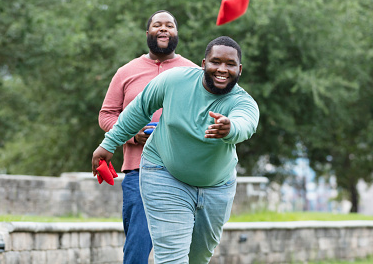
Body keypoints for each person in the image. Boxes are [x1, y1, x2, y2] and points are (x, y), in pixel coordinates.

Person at [93, 36, 259, 263]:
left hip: (217, 187)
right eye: (215, 62)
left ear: (239, 69)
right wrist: (108, 144)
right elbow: (138, 110)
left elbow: (245, 124)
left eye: (230, 64)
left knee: (198, 257)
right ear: (203, 63)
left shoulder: (243, 102)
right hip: (164, 173)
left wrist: (229, 129)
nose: (222, 69)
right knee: (172, 257)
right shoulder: (174, 81)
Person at [98, 10, 197, 263]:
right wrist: (132, 134)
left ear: (177, 33)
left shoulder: (193, 72)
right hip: (139, 171)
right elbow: (106, 115)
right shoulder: (126, 72)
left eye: (170, 25)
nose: (163, 29)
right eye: (157, 25)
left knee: (182, 247)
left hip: (182, 172)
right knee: (137, 246)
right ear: (148, 34)